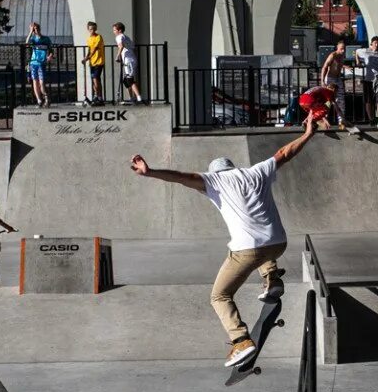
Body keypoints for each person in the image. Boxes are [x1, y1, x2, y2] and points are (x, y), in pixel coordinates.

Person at [130, 114, 319, 367]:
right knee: (262, 251)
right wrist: (307, 134)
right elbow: (285, 153)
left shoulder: (213, 181)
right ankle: (272, 279)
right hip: (278, 243)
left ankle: (241, 341)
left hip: (247, 250)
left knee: (219, 296)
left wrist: (150, 171)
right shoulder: (256, 172)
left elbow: (179, 176)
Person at [319, 39, 347, 129]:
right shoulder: (332, 55)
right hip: (330, 79)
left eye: (344, 49)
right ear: (337, 48)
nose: (343, 51)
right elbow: (325, 67)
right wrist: (322, 81)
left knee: (341, 100)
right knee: (328, 100)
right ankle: (324, 119)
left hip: (338, 79)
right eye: (341, 49)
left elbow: (339, 65)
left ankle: (341, 121)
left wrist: (346, 66)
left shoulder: (342, 56)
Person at [113, 22, 144, 103]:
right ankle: (132, 98)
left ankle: (138, 97)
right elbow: (132, 48)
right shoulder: (126, 37)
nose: (114, 32)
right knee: (126, 81)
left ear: (119, 30)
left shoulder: (119, 36)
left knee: (130, 80)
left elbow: (121, 46)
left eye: (115, 30)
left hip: (128, 61)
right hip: (131, 60)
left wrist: (118, 56)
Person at [25, 22, 52, 107]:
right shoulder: (33, 39)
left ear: (39, 29)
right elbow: (26, 44)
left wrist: (50, 56)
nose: (35, 30)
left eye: (36, 28)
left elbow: (51, 50)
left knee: (42, 83)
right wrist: (30, 32)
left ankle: (46, 98)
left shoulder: (46, 39)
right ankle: (39, 100)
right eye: (34, 29)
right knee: (35, 82)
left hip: (41, 63)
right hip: (33, 63)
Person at [82, 21, 106, 105]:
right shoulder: (89, 39)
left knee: (96, 79)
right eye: (91, 29)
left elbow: (95, 49)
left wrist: (88, 57)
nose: (93, 31)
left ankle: (99, 97)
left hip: (99, 61)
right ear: (88, 29)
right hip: (92, 62)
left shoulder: (98, 37)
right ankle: (98, 96)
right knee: (95, 80)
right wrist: (86, 58)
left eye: (94, 29)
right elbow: (89, 50)